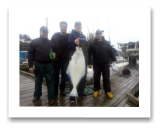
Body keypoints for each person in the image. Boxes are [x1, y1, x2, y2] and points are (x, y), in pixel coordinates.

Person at [28, 26, 56, 105]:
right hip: (38, 65)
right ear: (40, 32)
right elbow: (30, 55)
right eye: (43, 31)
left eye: (46, 31)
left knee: (50, 81)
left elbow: (55, 52)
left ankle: (51, 98)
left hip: (49, 65)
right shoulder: (34, 42)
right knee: (38, 81)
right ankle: (37, 95)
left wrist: (55, 54)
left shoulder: (51, 43)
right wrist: (30, 66)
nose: (45, 33)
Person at [88, 29, 117, 98]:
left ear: (101, 34)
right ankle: (96, 90)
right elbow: (89, 54)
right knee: (96, 77)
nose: (98, 35)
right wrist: (89, 62)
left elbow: (111, 52)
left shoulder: (106, 43)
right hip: (96, 64)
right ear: (96, 35)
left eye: (99, 34)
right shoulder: (92, 44)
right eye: (97, 34)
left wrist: (114, 60)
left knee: (106, 78)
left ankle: (107, 91)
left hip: (105, 63)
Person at [68, 21, 87, 102]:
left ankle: (80, 92)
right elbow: (69, 46)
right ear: (74, 27)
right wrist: (74, 43)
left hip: (82, 59)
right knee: (73, 76)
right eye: (77, 26)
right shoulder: (72, 35)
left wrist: (88, 61)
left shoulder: (83, 36)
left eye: (79, 25)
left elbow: (86, 49)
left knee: (83, 76)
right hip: (74, 59)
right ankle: (72, 94)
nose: (78, 27)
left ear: (81, 26)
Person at [51, 21, 70, 96]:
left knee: (64, 76)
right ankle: (55, 90)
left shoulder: (69, 36)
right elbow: (50, 46)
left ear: (66, 27)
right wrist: (52, 56)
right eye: (62, 26)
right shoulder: (55, 35)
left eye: (65, 27)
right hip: (56, 60)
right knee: (55, 76)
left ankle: (62, 89)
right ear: (60, 27)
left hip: (65, 60)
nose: (63, 28)